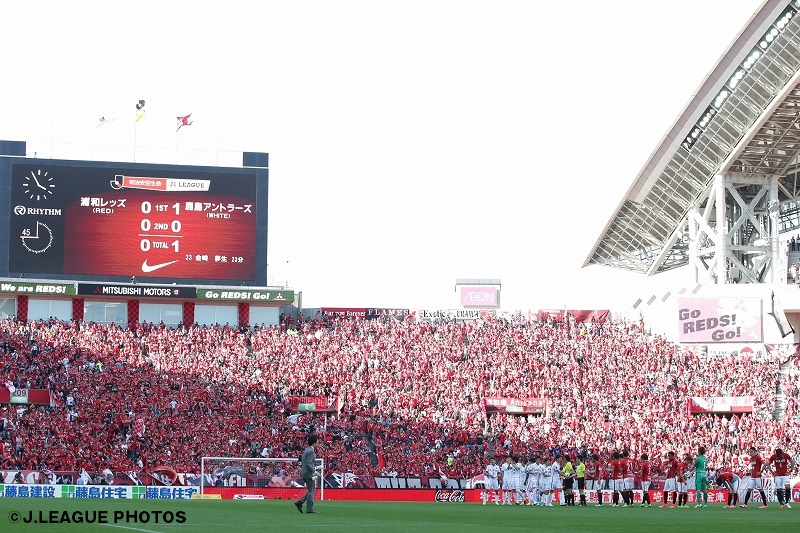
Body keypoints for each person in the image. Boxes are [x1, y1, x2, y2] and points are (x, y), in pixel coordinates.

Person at [294, 434, 319, 514]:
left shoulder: (306, 450)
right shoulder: (311, 451)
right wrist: (314, 471)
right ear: (314, 443)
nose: (318, 443)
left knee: (311, 490)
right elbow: (308, 463)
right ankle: (309, 509)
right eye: (317, 442)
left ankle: (300, 502)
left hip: (304, 472)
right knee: (311, 490)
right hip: (308, 474)